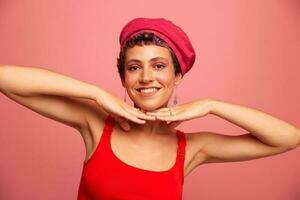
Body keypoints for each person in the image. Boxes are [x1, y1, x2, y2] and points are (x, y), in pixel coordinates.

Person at [0, 17, 299, 200]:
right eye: (133, 67)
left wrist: (212, 106)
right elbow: (6, 78)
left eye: (159, 66)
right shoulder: (95, 125)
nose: (146, 77)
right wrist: (95, 94)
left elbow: (287, 138)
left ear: (176, 76)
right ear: (123, 77)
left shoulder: (191, 149)